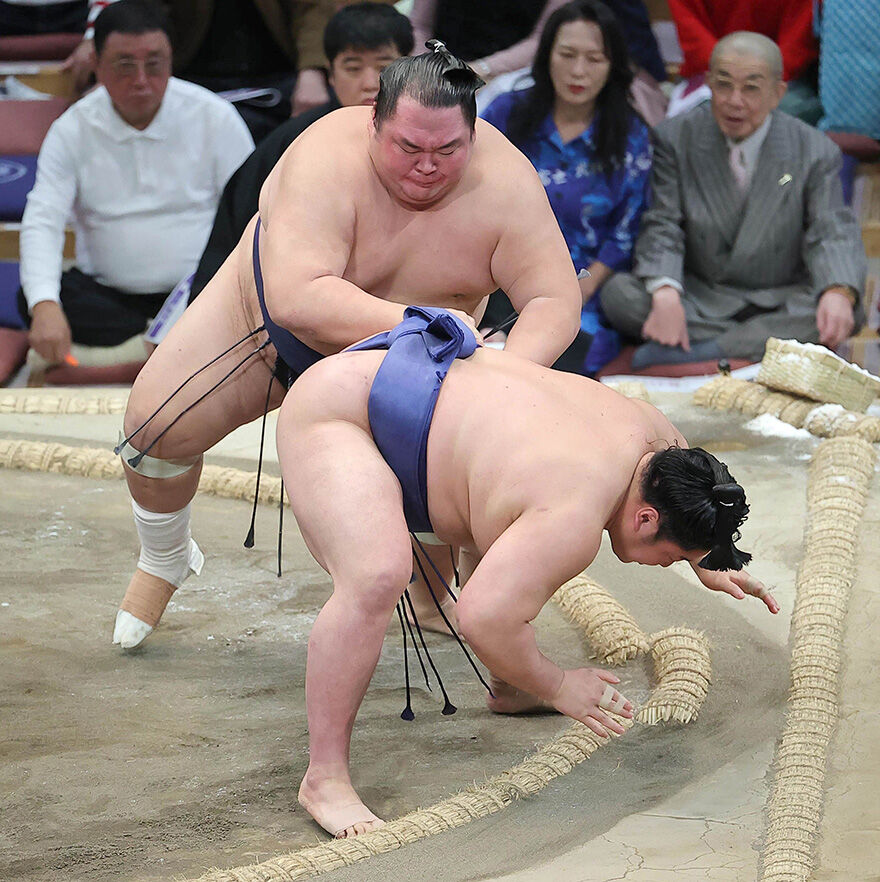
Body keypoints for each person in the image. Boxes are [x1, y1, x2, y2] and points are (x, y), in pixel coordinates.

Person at [111, 45, 582, 651]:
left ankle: (439, 593)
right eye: (408, 148)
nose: (428, 167)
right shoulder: (321, 157)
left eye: (448, 151)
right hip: (266, 332)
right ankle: (164, 557)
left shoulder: (507, 182)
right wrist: (428, 322)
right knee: (152, 435)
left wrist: (503, 371)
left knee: (473, 464)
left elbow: (555, 300)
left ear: (474, 134)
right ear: (373, 123)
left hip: (425, 367)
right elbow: (298, 298)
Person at [275, 306, 778, 838]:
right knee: (377, 574)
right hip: (341, 414)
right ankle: (324, 779)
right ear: (645, 517)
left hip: (409, 391)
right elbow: (484, 618)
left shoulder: (650, 438)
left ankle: (511, 687)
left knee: (504, 528)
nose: (668, 565)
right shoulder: (574, 513)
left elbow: (695, 477)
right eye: (673, 556)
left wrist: (711, 556)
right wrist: (559, 684)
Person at [600, 32, 867, 369]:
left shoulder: (814, 149)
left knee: (847, 308)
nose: (734, 101)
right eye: (723, 85)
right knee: (619, 295)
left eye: (751, 88)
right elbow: (663, 223)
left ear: (777, 94)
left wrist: (838, 291)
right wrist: (665, 291)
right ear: (709, 83)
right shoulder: (676, 138)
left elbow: (830, 228)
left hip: (779, 296)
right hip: (702, 295)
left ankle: (698, 353)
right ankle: (756, 350)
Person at [16, 0, 254, 368]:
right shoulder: (71, 130)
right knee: (33, 298)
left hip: (198, 290)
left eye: (154, 64)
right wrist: (45, 305)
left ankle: (148, 344)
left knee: (255, 292)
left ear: (171, 60)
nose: (141, 80)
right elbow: (42, 220)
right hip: (110, 299)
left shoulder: (214, 117)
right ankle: (164, 341)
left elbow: (253, 213)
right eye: (125, 66)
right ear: (95, 64)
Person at [189, 1, 414, 300]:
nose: (370, 83)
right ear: (331, 75)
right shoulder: (291, 142)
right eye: (353, 67)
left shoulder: (430, 138)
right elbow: (234, 233)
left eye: (384, 68)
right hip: (299, 299)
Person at [481, 0, 652, 374]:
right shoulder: (504, 114)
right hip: (493, 280)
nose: (579, 71)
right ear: (546, 56)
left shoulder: (631, 136)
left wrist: (578, 292)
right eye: (567, 54)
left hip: (580, 288)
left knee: (562, 359)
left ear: (613, 66)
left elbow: (627, 232)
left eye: (595, 59)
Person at [62, 0, 377, 138]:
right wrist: (114, 58)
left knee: (328, 113)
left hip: (278, 79)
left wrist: (312, 70)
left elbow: (312, 8)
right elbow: (143, 13)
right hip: (189, 79)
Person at [666, 0, 821, 124]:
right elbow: (693, 33)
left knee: (787, 115)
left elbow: (797, 43)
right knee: (700, 120)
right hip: (709, 75)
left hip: (781, 79)